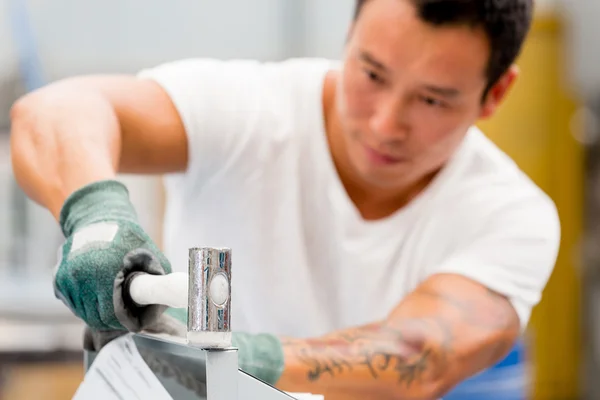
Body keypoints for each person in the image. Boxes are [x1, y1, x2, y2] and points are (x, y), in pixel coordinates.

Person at [9, 0, 560, 399]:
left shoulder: (509, 215)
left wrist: (230, 359)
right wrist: (96, 216)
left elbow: (416, 359)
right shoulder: (251, 112)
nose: (386, 123)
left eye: (433, 99)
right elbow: (51, 114)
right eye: (371, 73)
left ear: (497, 93)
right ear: (349, 33)